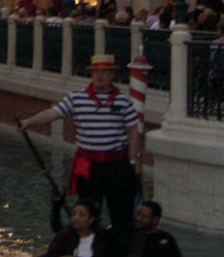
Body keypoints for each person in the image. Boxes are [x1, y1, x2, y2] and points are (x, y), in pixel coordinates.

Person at [17, 53, 140, 229]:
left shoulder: (123, 101)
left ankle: (119, 247)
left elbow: (133, 131)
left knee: (121, 212)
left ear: (112, 75)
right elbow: (52, 114)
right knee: (87, 210)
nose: (99, 76)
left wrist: (132, 161)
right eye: (96, 72)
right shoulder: (76, 98)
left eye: (104, 72)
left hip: (117, 163)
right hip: (88, 164)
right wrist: (29, 122)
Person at [108, 200, 188, 257]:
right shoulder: (127, 233)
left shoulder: (165, 238)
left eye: (143, 216)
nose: (138, 218)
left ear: (155, 220)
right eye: (138, 215)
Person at [26, 201, 115, 257]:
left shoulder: (102, 238)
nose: (76, 218)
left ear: (91, 219)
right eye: (74, 214)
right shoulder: (64, 235)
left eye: (81, 215)